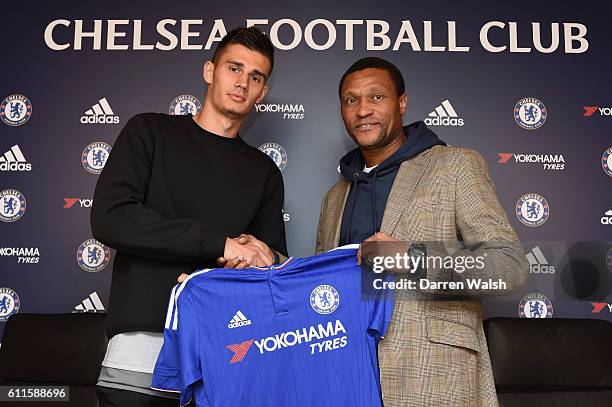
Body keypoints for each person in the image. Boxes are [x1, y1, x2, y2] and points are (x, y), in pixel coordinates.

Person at [91, 26, 287, 406]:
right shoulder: (149, 132)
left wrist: (260, 255)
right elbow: (111, 218)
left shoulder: (264, 171)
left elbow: (270, 267)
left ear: (262, 92)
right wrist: (220, 245)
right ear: (209, 71)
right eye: (234, 68)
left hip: (225, 350)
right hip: (142, 347)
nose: (242, 82)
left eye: (255, 76)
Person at [315, 57, 529, 406]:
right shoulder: (335, 197)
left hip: (435, 378)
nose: (363, 110)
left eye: (376, 97)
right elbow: (323, 286)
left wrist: (411, 258)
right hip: (349, 379)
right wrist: (271, 262)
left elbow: (509, 268)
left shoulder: (455, 164)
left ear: (402, 102)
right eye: (351, 100)